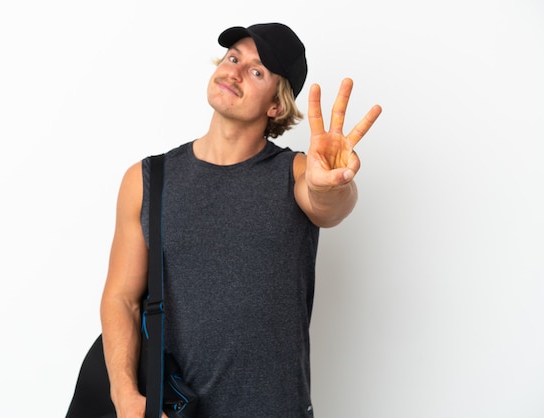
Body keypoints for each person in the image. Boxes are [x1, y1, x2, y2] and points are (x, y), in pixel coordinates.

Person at [99, 22, 382, 418]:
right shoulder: (147, 180)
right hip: (175, 409)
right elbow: (121, 299)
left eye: (256, 71)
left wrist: (329, 185)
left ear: (276, 106)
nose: (234, 70)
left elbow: (327, 205)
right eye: (233, 57)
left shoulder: (297, 173)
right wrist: (125, 398)